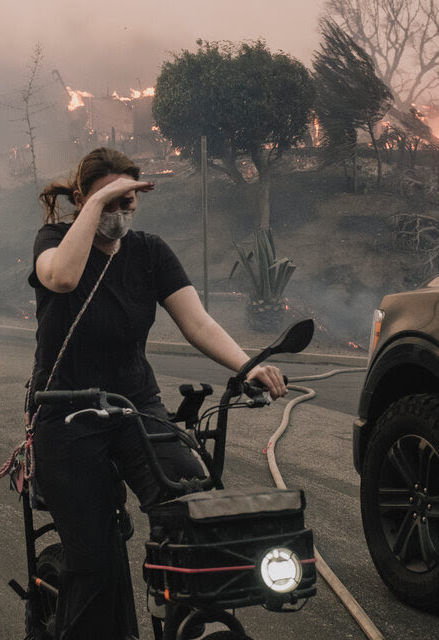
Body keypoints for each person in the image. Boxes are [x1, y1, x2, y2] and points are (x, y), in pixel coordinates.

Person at [29, 147, 286, 639]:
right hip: (65, 413)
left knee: (191, 507)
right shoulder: (54, 242)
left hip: (134, 405)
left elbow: (197, 321)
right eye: (109, 201)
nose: (120, 213)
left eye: (128, 201)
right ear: (82, 198)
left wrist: (248, 365)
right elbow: (61, 278)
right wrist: (95, 203)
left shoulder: (149, 252)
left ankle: (181, 622)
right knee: (93, 561)